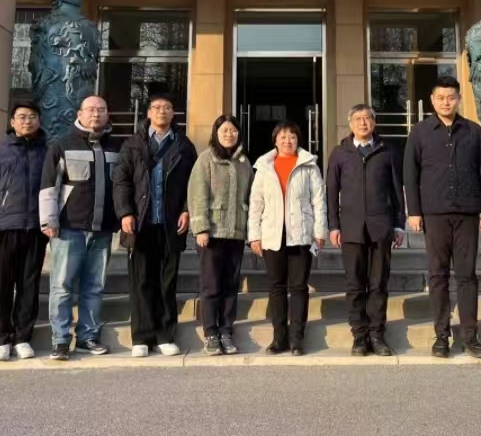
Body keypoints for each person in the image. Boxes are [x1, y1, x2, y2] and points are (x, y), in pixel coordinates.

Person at [404, 75, 481, 359]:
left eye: (451, 97)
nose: (446, 102)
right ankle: (442, 336)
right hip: (434, 214)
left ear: (458, 99)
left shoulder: (473, 131)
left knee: (467, 276)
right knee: (438, 275)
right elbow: (410, 174)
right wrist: (414, 211)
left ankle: (470, 336)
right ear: (432, 100)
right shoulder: (420, 132)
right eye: (441, 98)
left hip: (467, 213)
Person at [113, 94, 197, 358]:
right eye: (157, 107)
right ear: (148, 113)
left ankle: (165, 335)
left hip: (171, 224)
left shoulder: (184, 145)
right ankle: (142, 336)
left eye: (168, 108)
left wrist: (187, 209)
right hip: (141, 223)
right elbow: (121, 180)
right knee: (141, 281)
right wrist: (126, 212)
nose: (162, 111)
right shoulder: (133, 144)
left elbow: (193, 183)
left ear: (174, 114)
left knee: (167, 282)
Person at [39, 95, 121, 361]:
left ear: (107, 114)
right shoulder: (62, 145)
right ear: (80, 113)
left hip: (102, 229)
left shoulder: (116, 147)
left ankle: (88, 337)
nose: (96, 114)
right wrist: (48, 220)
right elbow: (49, 185)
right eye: (91, 109)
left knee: (94, 286)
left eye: (101, 109)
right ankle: (60, 339)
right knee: (62, 286)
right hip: (68, 229)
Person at [326, 104, 405, 358]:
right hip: (351, 228)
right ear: (350, 124)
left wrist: (399, 224)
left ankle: (377, 334)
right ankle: (359, 336)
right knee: (355, 285)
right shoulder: (340, 153)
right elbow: (331, 193)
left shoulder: (387, 151)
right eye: (358, 119)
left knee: (378, 283)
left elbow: (397, 190)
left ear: (374, 122)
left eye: (368, 118)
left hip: (381, 227)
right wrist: (334, 225)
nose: (363, 123)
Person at [0, 101, 49, 362]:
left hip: (36, 229)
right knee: (1, 286)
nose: (27, 121)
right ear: (12, 122)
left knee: (29, 285)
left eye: (32, 116)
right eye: (22, 117)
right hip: (4, 229)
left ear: (39, 120)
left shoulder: (47, 153)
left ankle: (23, 337)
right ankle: (1, 338)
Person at [248, 121, 327, 356]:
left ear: (298, 140)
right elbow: (256, 203)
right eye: (282, 137)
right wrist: (254, 235)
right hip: (272, 234)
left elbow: (319, 200)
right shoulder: (264, 167)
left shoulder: (309, 165)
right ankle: (279, 338)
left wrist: (320, 231)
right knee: (277, 287)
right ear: (275, 140)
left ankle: (297, 339)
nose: (287, 141)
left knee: (299, 287)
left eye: (292, 136)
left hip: (301, 234)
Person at [187, 115, 253, 356]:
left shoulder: (244, 162)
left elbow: (250, 196)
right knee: (211, 285)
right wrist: (201, 228)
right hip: (212, 233)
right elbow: (197, 194)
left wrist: (250, 230)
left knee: (230, 285)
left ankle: (226, 330)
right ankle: (211, 333)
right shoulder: (206, 159)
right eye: (224, 130)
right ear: (216, 133)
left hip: (236, 233)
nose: (229, 134)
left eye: (233, 130)